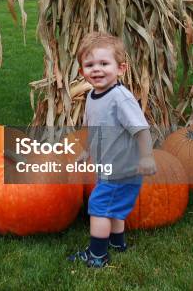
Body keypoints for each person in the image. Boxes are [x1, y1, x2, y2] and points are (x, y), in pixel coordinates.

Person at [68, 32, 157, 268]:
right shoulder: (91, 96)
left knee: (98, 208)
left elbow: (141, 130)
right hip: (108, 167)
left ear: (121, 69)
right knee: (113, 209)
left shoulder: (121, 98)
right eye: (90, 65)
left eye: (104, 63)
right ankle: (118, 244)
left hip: (123, 169)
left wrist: (147, 156)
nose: (96, 69)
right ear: (82, 72)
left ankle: (98, 255)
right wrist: (86, 152)